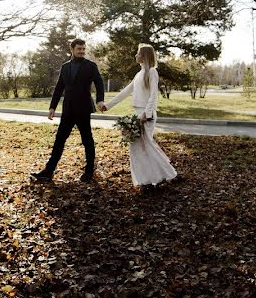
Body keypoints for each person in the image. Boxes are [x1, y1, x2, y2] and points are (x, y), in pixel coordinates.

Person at [31, 39, 106, 182]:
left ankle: (89, 172)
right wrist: (52, 107)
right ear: (72, 49)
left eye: (83, 49)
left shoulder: (91, 66)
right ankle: (48, 171)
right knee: (59, 140)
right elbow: (59, 88)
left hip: (83, 109)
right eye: (79, 49)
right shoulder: (65, 67)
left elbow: (99, 82)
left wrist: (99, 100)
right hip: (68, 110)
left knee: (87, 140)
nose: (82, 51)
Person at [103, 44, 177, 188]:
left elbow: (153, 95)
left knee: (144, 146)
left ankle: (164, 175)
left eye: (138, 53)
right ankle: (149, 179)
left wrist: (146, 113)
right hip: (137, 113)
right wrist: (108, 105)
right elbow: (125, 91)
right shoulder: (139, 74)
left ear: (144, 56)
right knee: (139, 147)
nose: (136, 56)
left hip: (146, 115)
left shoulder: (152, 72)